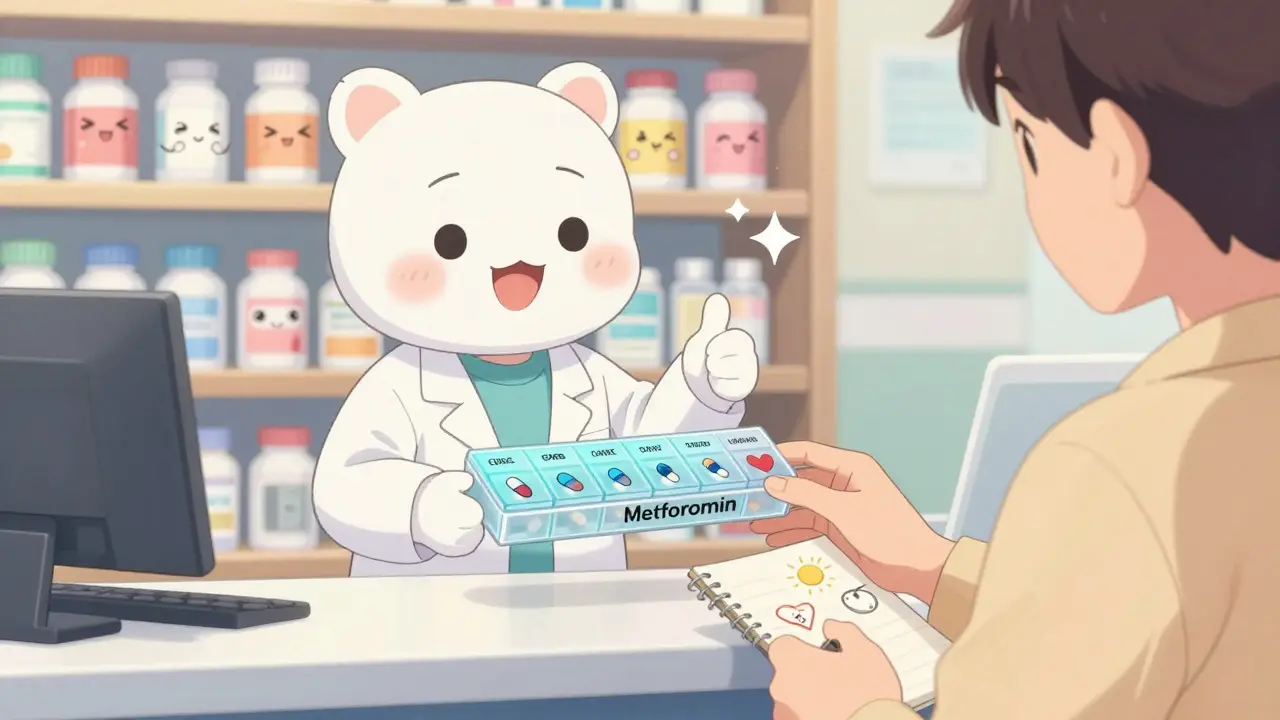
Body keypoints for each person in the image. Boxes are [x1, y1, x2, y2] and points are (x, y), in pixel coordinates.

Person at [756, 0, 1280, 717]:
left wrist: (849, 709)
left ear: (1117, 156)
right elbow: (1148, 625)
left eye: (1029, 143)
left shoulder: (1128, 462)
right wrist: (934, 565)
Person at [314, 62, 758, 577]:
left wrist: (702, 388)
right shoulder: (399, 386)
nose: (516, 264)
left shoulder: (588, 375)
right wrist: (416, 509)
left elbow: (655, 446)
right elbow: (343, 485)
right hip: (436, 608)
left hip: (579, 607)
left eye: (571, 233)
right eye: (451, 241)